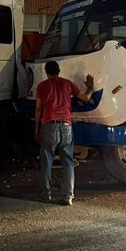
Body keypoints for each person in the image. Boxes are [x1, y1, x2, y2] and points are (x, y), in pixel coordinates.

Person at [34, 60, 94, 205]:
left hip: (49, 125)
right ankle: (68, 197)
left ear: (47, 72)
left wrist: (37, 128)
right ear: (59, 71)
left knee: (47, 161)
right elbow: (85, 98)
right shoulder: (68, 84)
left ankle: (45, 195)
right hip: (66, 126)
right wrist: (90, 87)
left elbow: (38, 109)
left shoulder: (42, 86)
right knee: (67, 162)